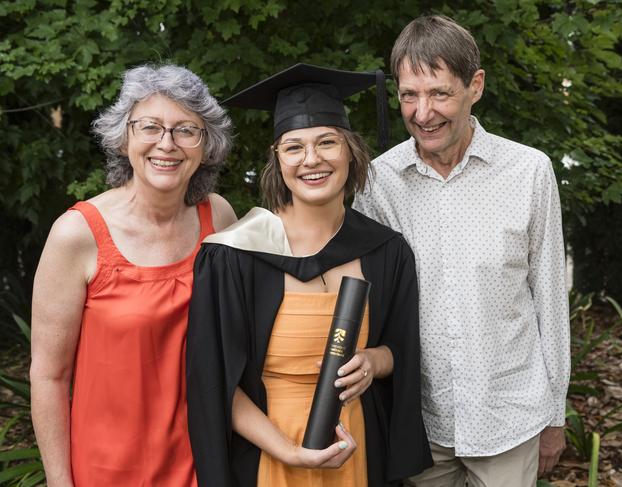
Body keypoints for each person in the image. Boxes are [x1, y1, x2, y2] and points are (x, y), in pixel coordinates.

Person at [186, 63, 432, 487]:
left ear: (351, 151)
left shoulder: (386, 251)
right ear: (277, 159)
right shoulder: (234, 255)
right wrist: (290, 452)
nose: (311, 159)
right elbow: (213, 382)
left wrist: (374, 361)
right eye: (294, 147)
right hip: (270, 455)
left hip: (355, 451)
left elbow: (401, 351)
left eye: (327, 142)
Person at [353, 15, 571, 487]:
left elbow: (550, 301)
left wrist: (555, 415)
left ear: (476, 86)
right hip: (420, 421)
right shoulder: (377, 182)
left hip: (508, 418)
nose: (422, 112)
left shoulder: (530, 173)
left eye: (439, 93)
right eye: (409, 95)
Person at [30, 64, 237, 487]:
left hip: (205, 464)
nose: (167, 144)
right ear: (124, 138)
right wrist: (58, 481)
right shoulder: (77, 234)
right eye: (151, 127)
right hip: (108, 469)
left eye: (185, 130)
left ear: (205, 145)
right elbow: (49, 376)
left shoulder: (218, 216)